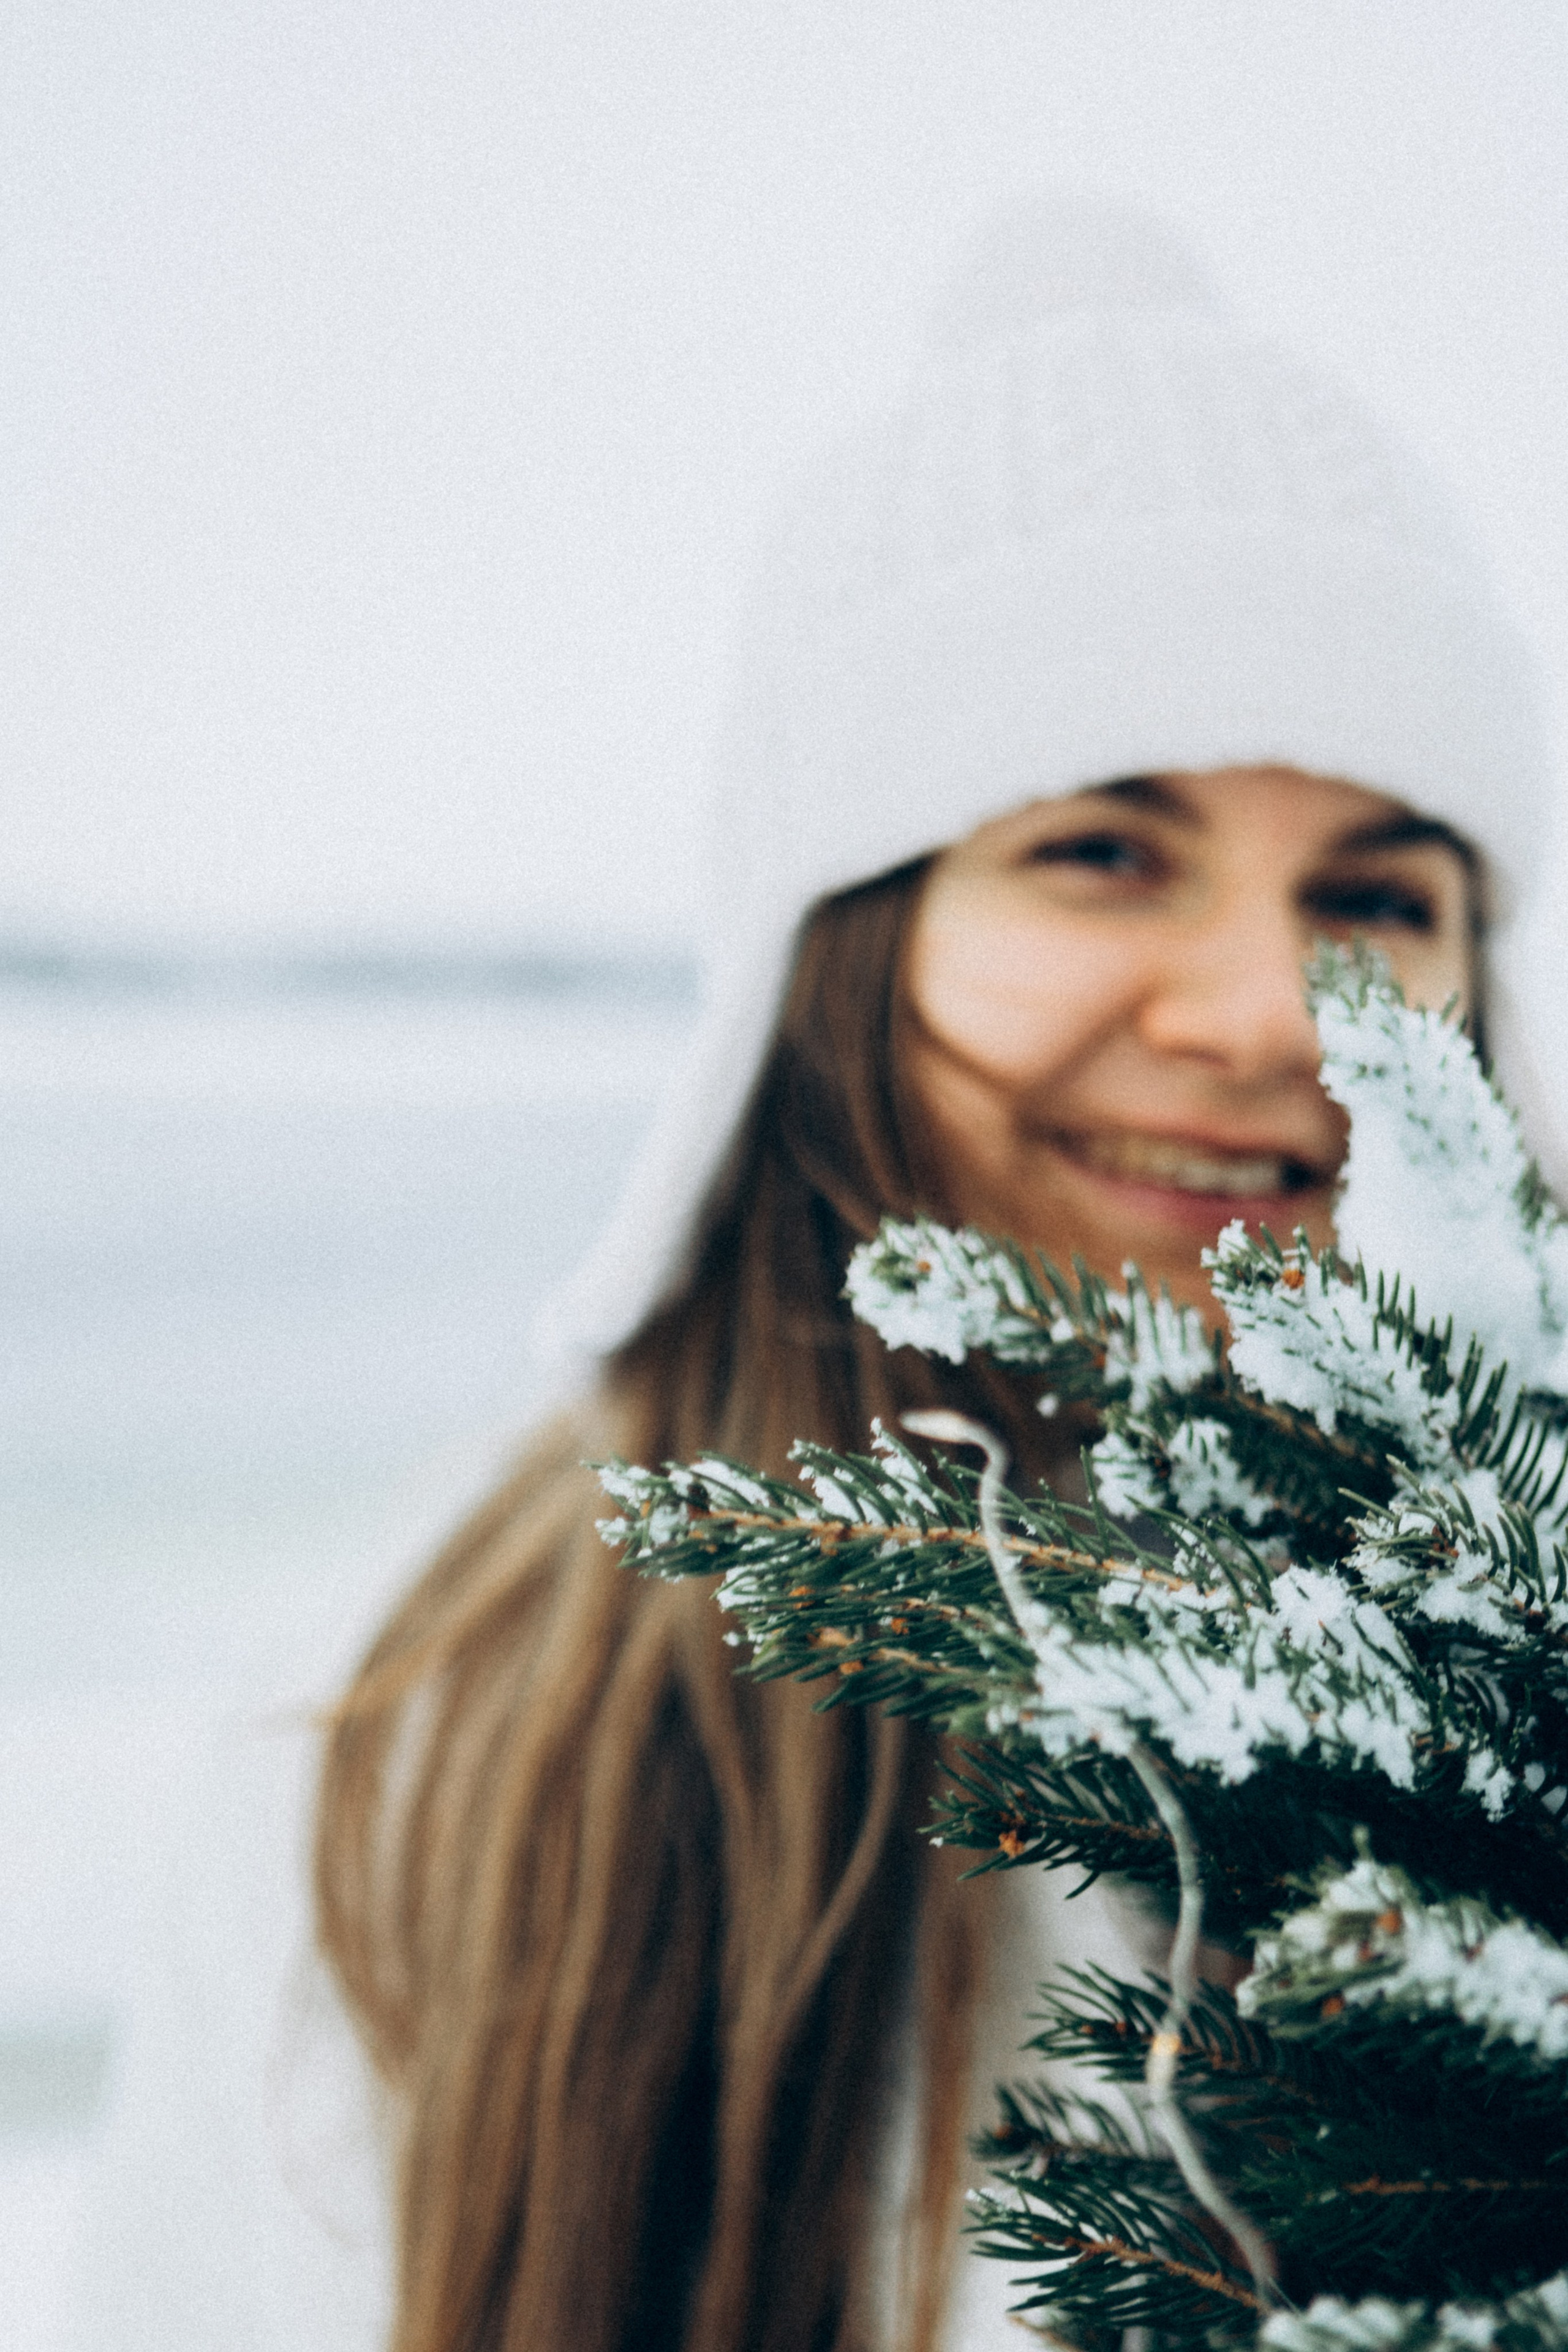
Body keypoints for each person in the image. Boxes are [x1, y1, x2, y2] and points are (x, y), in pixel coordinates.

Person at [70, 200, 1561, 2352]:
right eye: (1103, 851)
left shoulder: (1521, 1666)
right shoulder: (439, 1720)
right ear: (838, 944)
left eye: (1380, 889)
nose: (1268, 1011)